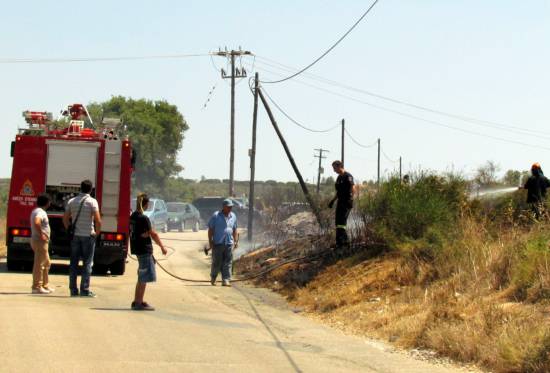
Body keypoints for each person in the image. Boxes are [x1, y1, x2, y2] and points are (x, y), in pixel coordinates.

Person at [63, 180, 101, 297]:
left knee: (73, 263)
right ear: (91, 189)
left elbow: (65, 219)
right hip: (88, 236)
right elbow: (98, 220)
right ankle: (84, 289)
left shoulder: (71, 201)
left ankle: (73, 290)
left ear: (80, 188)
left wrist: (69, 229)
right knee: (87, 263)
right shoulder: (92, 202)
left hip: (75, 236)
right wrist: (96, 233)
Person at [129, 193, 167, 311]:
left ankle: (137, 300)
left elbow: (141, 233)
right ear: (145, 204)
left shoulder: (133, 217)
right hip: (144, 250)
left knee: (142, 275)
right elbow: (153, 234)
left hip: (138, 249)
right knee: (143, 277)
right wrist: (162, 247)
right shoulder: (143, 218)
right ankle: (138, 302)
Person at [208, 199, 238, 287]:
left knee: (228, 262)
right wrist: (210, 242)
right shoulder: (216, 216)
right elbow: (210, 229)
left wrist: (235, 241)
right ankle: (213, 277)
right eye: (228, 207)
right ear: (224, 207)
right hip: (218, 243)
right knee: (217, 262)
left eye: (231, 207)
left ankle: (226, 280)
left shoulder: (233, 216)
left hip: (229, 243)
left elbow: (235, 229)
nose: (230, 208)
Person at [328, 160, 356, 248]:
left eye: (334, 168)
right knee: (338, 223)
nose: (334, 170)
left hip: (346, 202)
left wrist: (350, 199)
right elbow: (338, 192)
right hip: (340, 202)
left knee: (342, 222)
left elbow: (353, 187)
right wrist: (332, 201)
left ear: (340, 166)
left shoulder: (348, 176)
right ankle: (339, 243)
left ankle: (346, 243)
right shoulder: (339, 178)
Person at [30, 193, 53, 294]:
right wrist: (42, 234)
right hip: (40, 241)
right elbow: (37, 222)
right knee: (39, 264)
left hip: (41, 241)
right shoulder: (40, 212)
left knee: (47, 263)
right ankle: (36, 287)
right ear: (47, 203)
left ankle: (45, 285)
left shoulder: (37, 211)